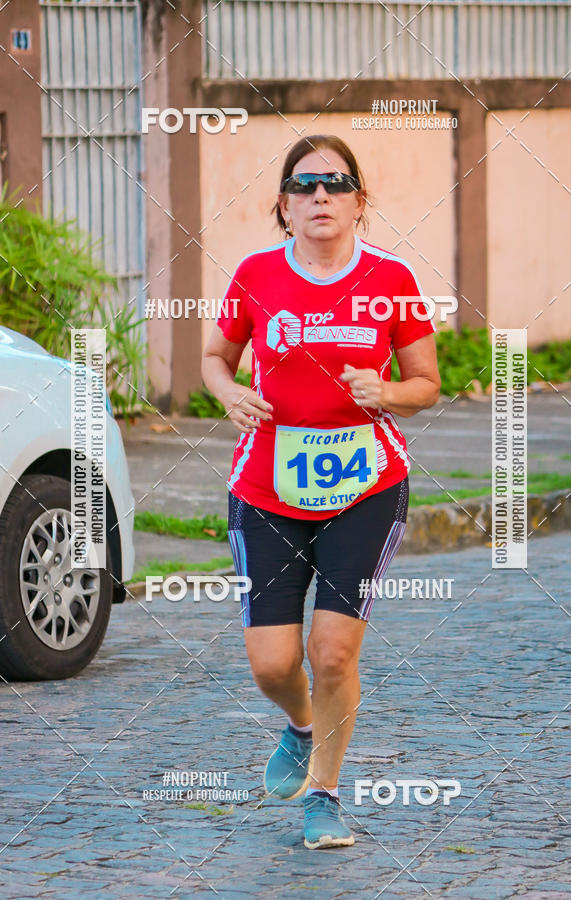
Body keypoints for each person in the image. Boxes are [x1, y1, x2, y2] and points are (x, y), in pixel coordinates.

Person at [201, 134, 441, 849]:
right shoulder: (255, 275)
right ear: (283, 204)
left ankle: (326, 796)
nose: (320, 197)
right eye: (304, 186)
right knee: (274, 662)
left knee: (332, 652)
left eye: (336, 184)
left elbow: (426, 384)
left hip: (366, 486)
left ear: (360, 202)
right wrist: (228, 394)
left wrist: (388, 390)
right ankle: (302, 729)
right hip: (268, 487)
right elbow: (216, 357)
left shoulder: (391, 279)